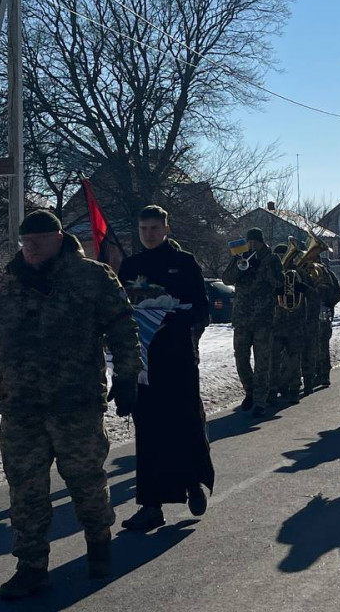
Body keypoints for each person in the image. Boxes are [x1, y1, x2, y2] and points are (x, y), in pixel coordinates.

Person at [0, 209, 142, 598]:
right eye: (26, 241)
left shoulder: (92, 276)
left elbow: (123, 326)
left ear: (59, 238)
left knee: (86, 480)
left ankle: (98, 541)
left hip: (75, 402)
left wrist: (128, 376)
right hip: (21, 406)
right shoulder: (7, 283)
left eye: (39, 240)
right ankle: (31, 566)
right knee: (25, 491)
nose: (32, 247)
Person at [118, 206, 216, 533]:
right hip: (144, 363)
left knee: (184, 423)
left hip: (178, 359)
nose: (148, 234)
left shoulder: (185, 263)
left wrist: (174, 322)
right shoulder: (131, 266)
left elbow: (202, 310)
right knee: (148, 433)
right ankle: (151, 506)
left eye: (154, 228)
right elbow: (121, 310)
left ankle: (193, 483)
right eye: (143, 228)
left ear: (166, 228)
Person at [221, 227, 282, 418]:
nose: (252, 245)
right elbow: (226, 278)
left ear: (262, 242)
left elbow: (279, 284)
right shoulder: (241, 257)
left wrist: (261, 268)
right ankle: (250, 390)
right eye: (250, 242)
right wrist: (238, 264)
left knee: (262, 361)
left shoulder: (271, 259)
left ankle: (260, 400)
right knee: (241, 359)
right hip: (241, 318)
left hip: (263, 318)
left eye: (255, 241)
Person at [271, 241, 314, 407]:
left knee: (294, 359)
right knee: (273, 360)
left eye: (285, 255)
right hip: (276, 322)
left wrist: (302, 288)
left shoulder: (299, 273)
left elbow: (313, 295)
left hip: (295, 323)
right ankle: (273, 390)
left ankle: (294, 389)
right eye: (279, 257)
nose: (283, 259)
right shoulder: (272, 274)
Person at [303, 257, 340, 392]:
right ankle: (314, 374)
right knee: (310, 346)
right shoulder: (303, 272)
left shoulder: (326, 273)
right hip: (308, 315)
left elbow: (337, 292)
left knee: (322, 345)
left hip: (322, 314)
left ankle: (323, 375)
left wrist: (328, 302)